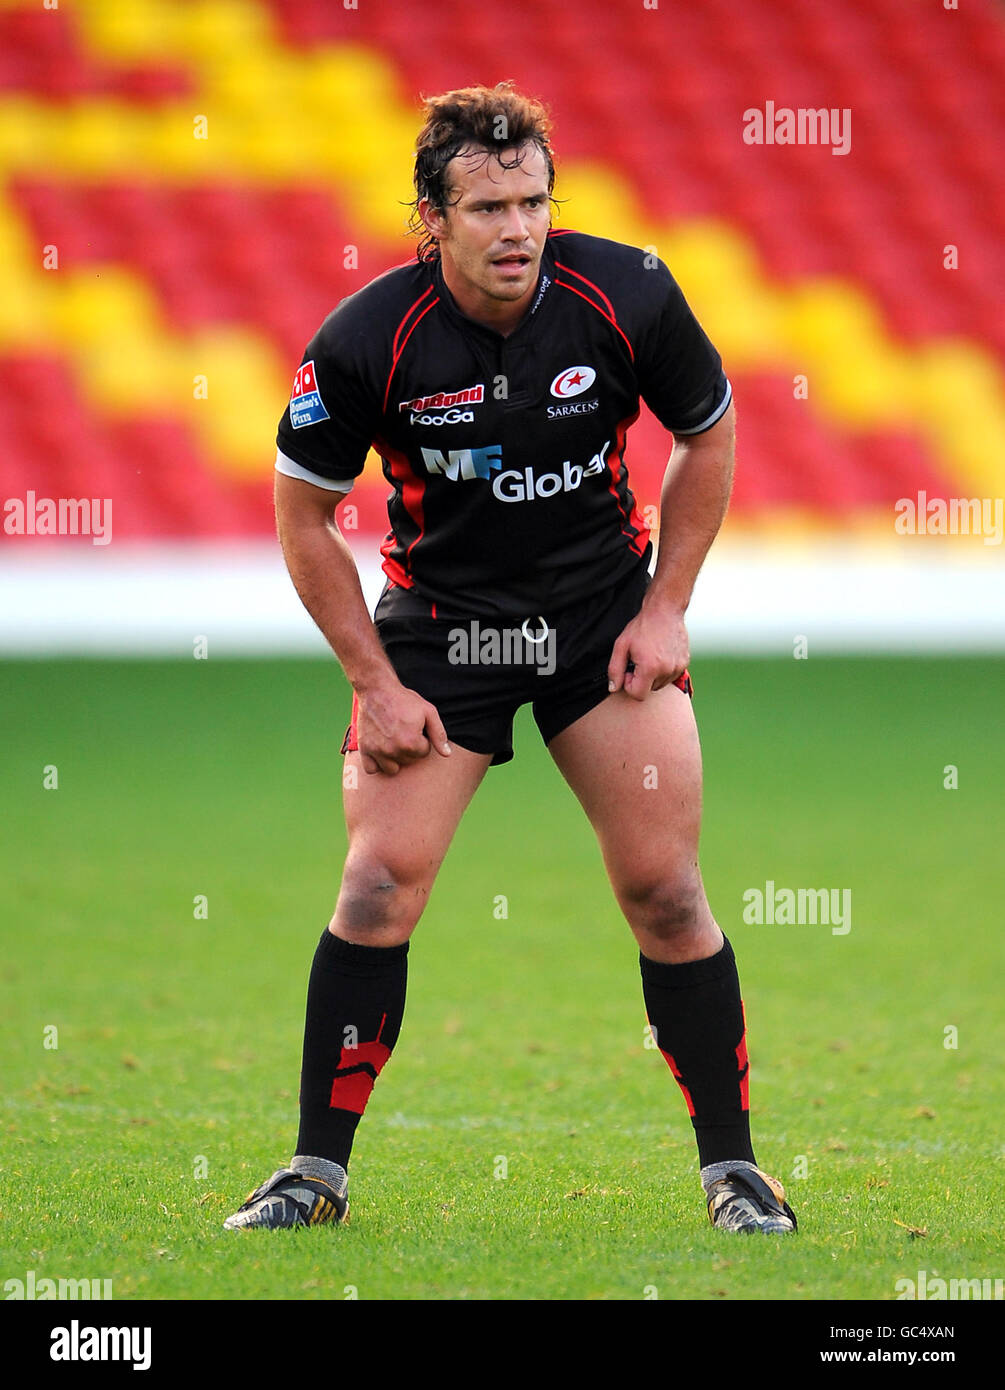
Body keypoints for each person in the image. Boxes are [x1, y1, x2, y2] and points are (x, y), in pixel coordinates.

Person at [224, 83, 796, 1236]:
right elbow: (303, 516)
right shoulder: (362, 340)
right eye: (487, 206)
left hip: (599, 626)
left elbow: (710, 429)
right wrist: (373, 683)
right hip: (444, 633)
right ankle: (312, 1175)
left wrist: (668, 608)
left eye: (533, 201)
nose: (518, 229)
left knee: (668, 891)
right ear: (429, 219)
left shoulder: (627, 292)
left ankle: (735, 1174)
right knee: (377, 886)